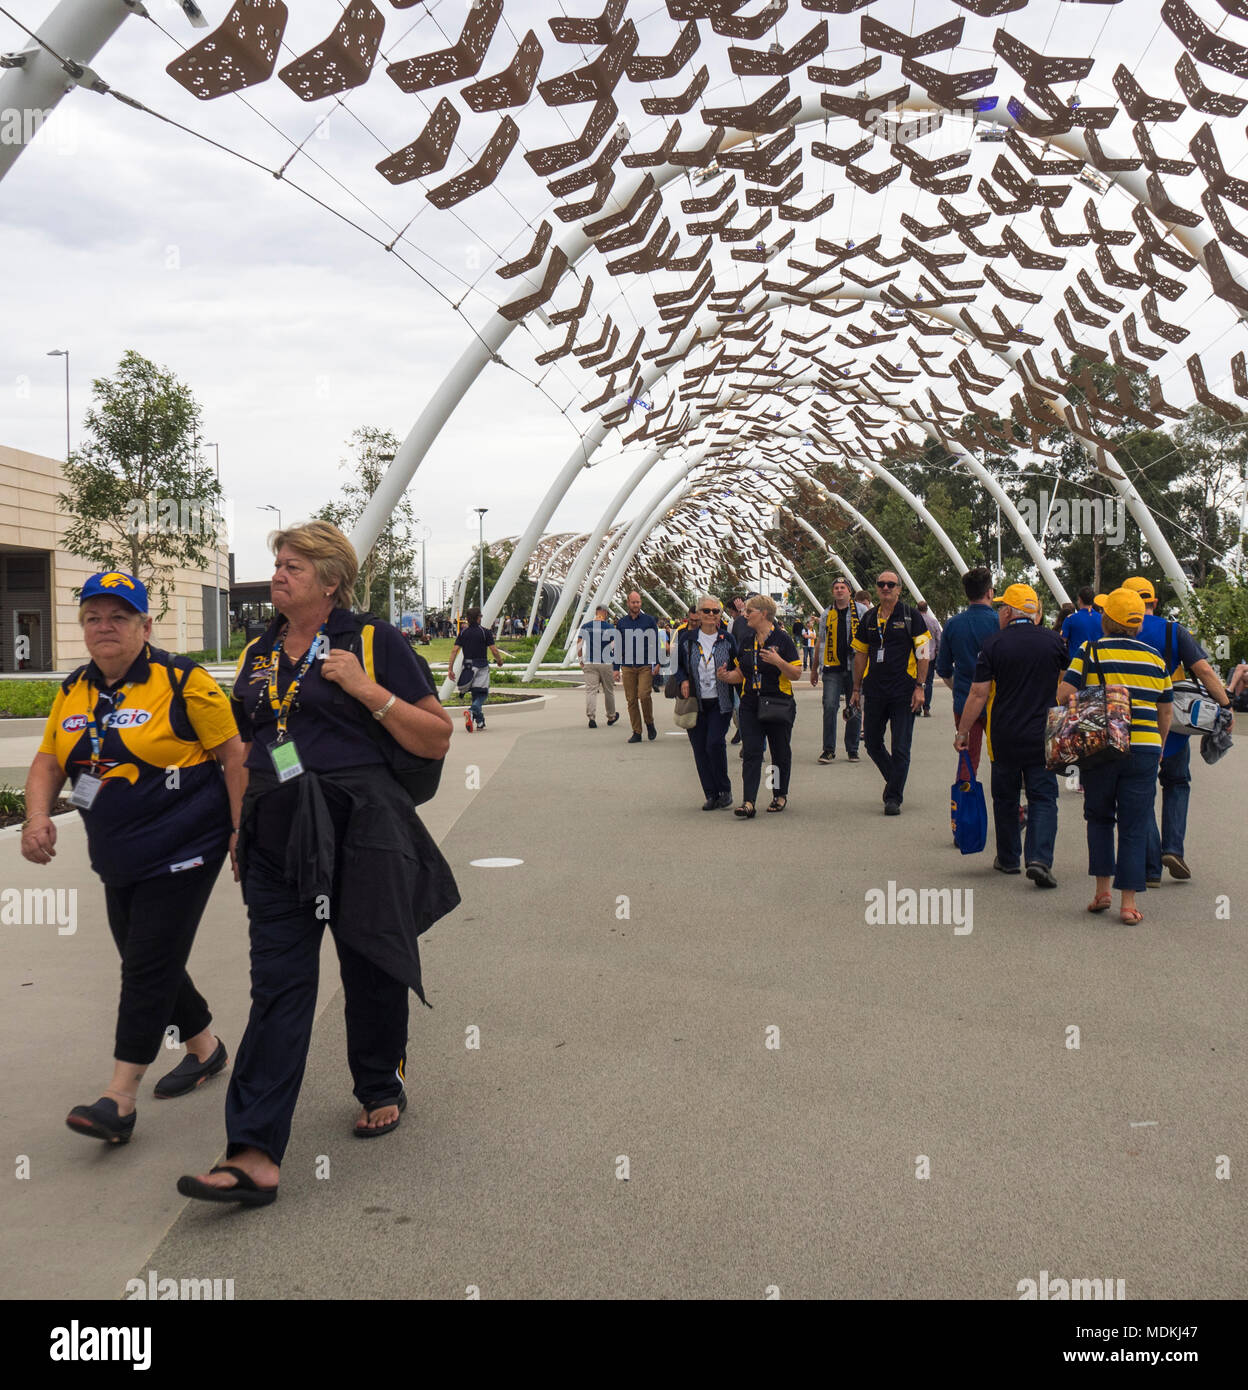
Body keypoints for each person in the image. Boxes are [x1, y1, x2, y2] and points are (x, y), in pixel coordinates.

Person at [178, 521, 457, 1206]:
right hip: (279, 831)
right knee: (278, 986)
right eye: (277, 562)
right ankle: (252, 1152)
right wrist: (241, 829)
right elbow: (245, 750)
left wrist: (367, 690)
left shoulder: (372, 641)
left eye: (294, 564)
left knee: (370, 962)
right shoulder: (259, 652)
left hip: (360, 827)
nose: (278, 573)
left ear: (330, 581)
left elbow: (438, 736)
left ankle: (379, 1082)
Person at [21, 571, 244, 1145]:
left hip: (185, 846)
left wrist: (243, 830)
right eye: (93, 617)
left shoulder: (184, 681)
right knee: (151, 957)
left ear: (145, 625)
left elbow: (234, 756)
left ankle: (119, 1098)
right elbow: (50, 760)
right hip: (117, 854)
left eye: (118, 617)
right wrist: (38, 816)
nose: (104, 627)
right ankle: (205, 1047)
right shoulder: (74, 688)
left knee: (145, 965)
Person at [1057, 587, 1173, 926]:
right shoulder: (1155, 658)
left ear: (1107, 620)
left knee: (1100, 817)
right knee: (1135, 824)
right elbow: (1165, 711)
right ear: (1137, 623)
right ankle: (1129, 903)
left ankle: (1102, 892)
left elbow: (1064, 694)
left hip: (1101, 747)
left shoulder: (1089, 650)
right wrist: (1160, 746)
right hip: (1145, 749)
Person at [1123, 576, 1235, 884]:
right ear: (1154, 602)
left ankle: (1149, 868)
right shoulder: (1173, 631)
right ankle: (1172, 848)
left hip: (1132, 727)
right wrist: (1226, 705)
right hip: (1171, 724)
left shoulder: (1118, 631)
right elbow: (1203, 670)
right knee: (1176, 782)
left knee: (1140, 792)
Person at [955, 585, 1067, 887]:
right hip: (1043, 734)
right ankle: (1039, 859)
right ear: (1036, 613)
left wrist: (963, 731)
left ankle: (1007, 858)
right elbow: (1068, 688)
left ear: (1007, 613)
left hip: (1004, 735)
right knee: (1043, 797)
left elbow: (978, 694)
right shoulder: (1056, 642)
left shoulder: (993, 644)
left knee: (1005, 798)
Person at [850, 572, 930, 815]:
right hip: (874, 690)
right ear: (876, 589)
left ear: (899, 589)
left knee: (901, 747)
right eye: (881, 584)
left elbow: (924, 653)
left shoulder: (911, 616)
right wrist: (855, 689)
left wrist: (920, 686)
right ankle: (894, 780)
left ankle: (893, 797)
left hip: (904, 691)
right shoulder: (870, 618)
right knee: (872, 743)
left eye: (891, 584)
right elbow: (861, 654)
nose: (886, 587)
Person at [719, 595, 801, 816]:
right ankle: (749, 802)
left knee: (779, 752)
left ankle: (778, 794)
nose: (745, 614)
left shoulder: (783, 640)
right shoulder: (747, 641)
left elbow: (796, 673)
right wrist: (726, 676)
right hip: (750, 703)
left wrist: (778, 662)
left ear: (764, 614)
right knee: (752, 752)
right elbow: (741, 673)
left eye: (750, 611)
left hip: (777, 702)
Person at [936, 567, 999, 777]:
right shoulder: (1000, 623)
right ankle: (1011, 807)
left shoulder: (953, 625)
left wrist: (961, 687)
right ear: (990, 592)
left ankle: (963, 806)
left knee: (968, 759)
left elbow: (944, 668)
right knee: (1002, 757)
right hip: (997, 702)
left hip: (964, 701)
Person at [677, 595, 737, 810]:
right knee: (700, 748)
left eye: (715, 611)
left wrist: (729, 675)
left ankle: (724, 789)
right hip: (696, 702)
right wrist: (683, 679)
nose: (711, 615)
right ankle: (711, 794)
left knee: (714, 743)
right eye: (707, 611)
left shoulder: (727, 639)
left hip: (720, 702)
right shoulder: (688, 639)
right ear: (699, 614)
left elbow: (738, 666)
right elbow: (679, 667)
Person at [811, 577, 867, 764]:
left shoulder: (861, 611)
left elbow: (868, 640)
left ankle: (852, 749)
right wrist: (814, 668)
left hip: (854, 667)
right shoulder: (827, 614)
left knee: (854, 707)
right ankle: (828, 749)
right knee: (829, 706)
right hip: (832, 668)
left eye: (843, 587)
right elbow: (821, 641)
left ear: (849, 591)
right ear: (832, 591)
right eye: (836, 587)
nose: (840, 590)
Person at [615, 590, 662, 743]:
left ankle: (649, 723)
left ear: (640, 603)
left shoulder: (648, 621)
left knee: (644, 695)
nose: (636, 605)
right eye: (633, 602)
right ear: (628, 603)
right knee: (631, 700)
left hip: (645, 666)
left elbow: (655, 642)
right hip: (628, 666)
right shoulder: (621, 623)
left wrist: (658, 662)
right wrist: (616, 668)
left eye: (638, 602)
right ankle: (637, 731)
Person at [450, 606, 506, 732]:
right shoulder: (485, 632)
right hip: (481, 665)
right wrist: (499, 661)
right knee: (482, 693)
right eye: (480, 616)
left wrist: (450, 668)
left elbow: (454, 651)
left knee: (475, 692)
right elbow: (493, 650)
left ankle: (480, 721)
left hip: (467, 666)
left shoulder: (463, 632)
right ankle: (471, 711)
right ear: (478, 618)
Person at [577, 603, 621, 730]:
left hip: (590, 663)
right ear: (605, 613)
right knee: (608, 690)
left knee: (591, 690)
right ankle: (611, 716)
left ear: (596, 612)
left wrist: (581, 661)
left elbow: (579, 644)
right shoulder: (609, 627)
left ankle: (591, 717)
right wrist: (615, 665)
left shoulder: (586, 627)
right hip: (606, 663)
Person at [915, 601, 942, 716]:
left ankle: (917, 707)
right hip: (930, 656)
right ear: (927, 609)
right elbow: (939, 639)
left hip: (916, 655)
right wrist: (939, 652)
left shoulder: (914, 621)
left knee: (917, 681)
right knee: (928, 682)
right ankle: (926, 708)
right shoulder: (933, 622)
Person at [1061, 586, 1102, 657]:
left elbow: (1061, 641)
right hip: (1097, 663)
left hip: (1076, 663)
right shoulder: (1102, 619)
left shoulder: (1070, 619)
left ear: (1079, 600)